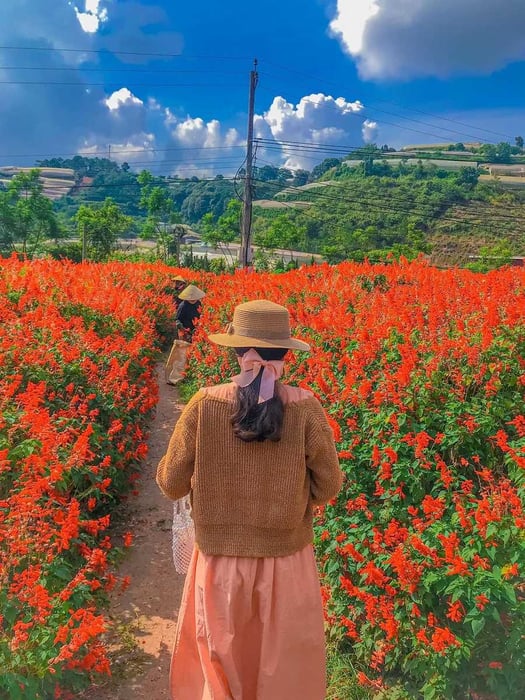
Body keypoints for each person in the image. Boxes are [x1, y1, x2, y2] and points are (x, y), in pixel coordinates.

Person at [157, 299, 343, 700]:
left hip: (219, 565)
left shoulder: (204, 404)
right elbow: (328, 486)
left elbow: (171, 483)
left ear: (238, 351)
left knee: (221, 668)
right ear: (285, 353)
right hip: (286, 564)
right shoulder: (308, 407)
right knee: (282, 671)